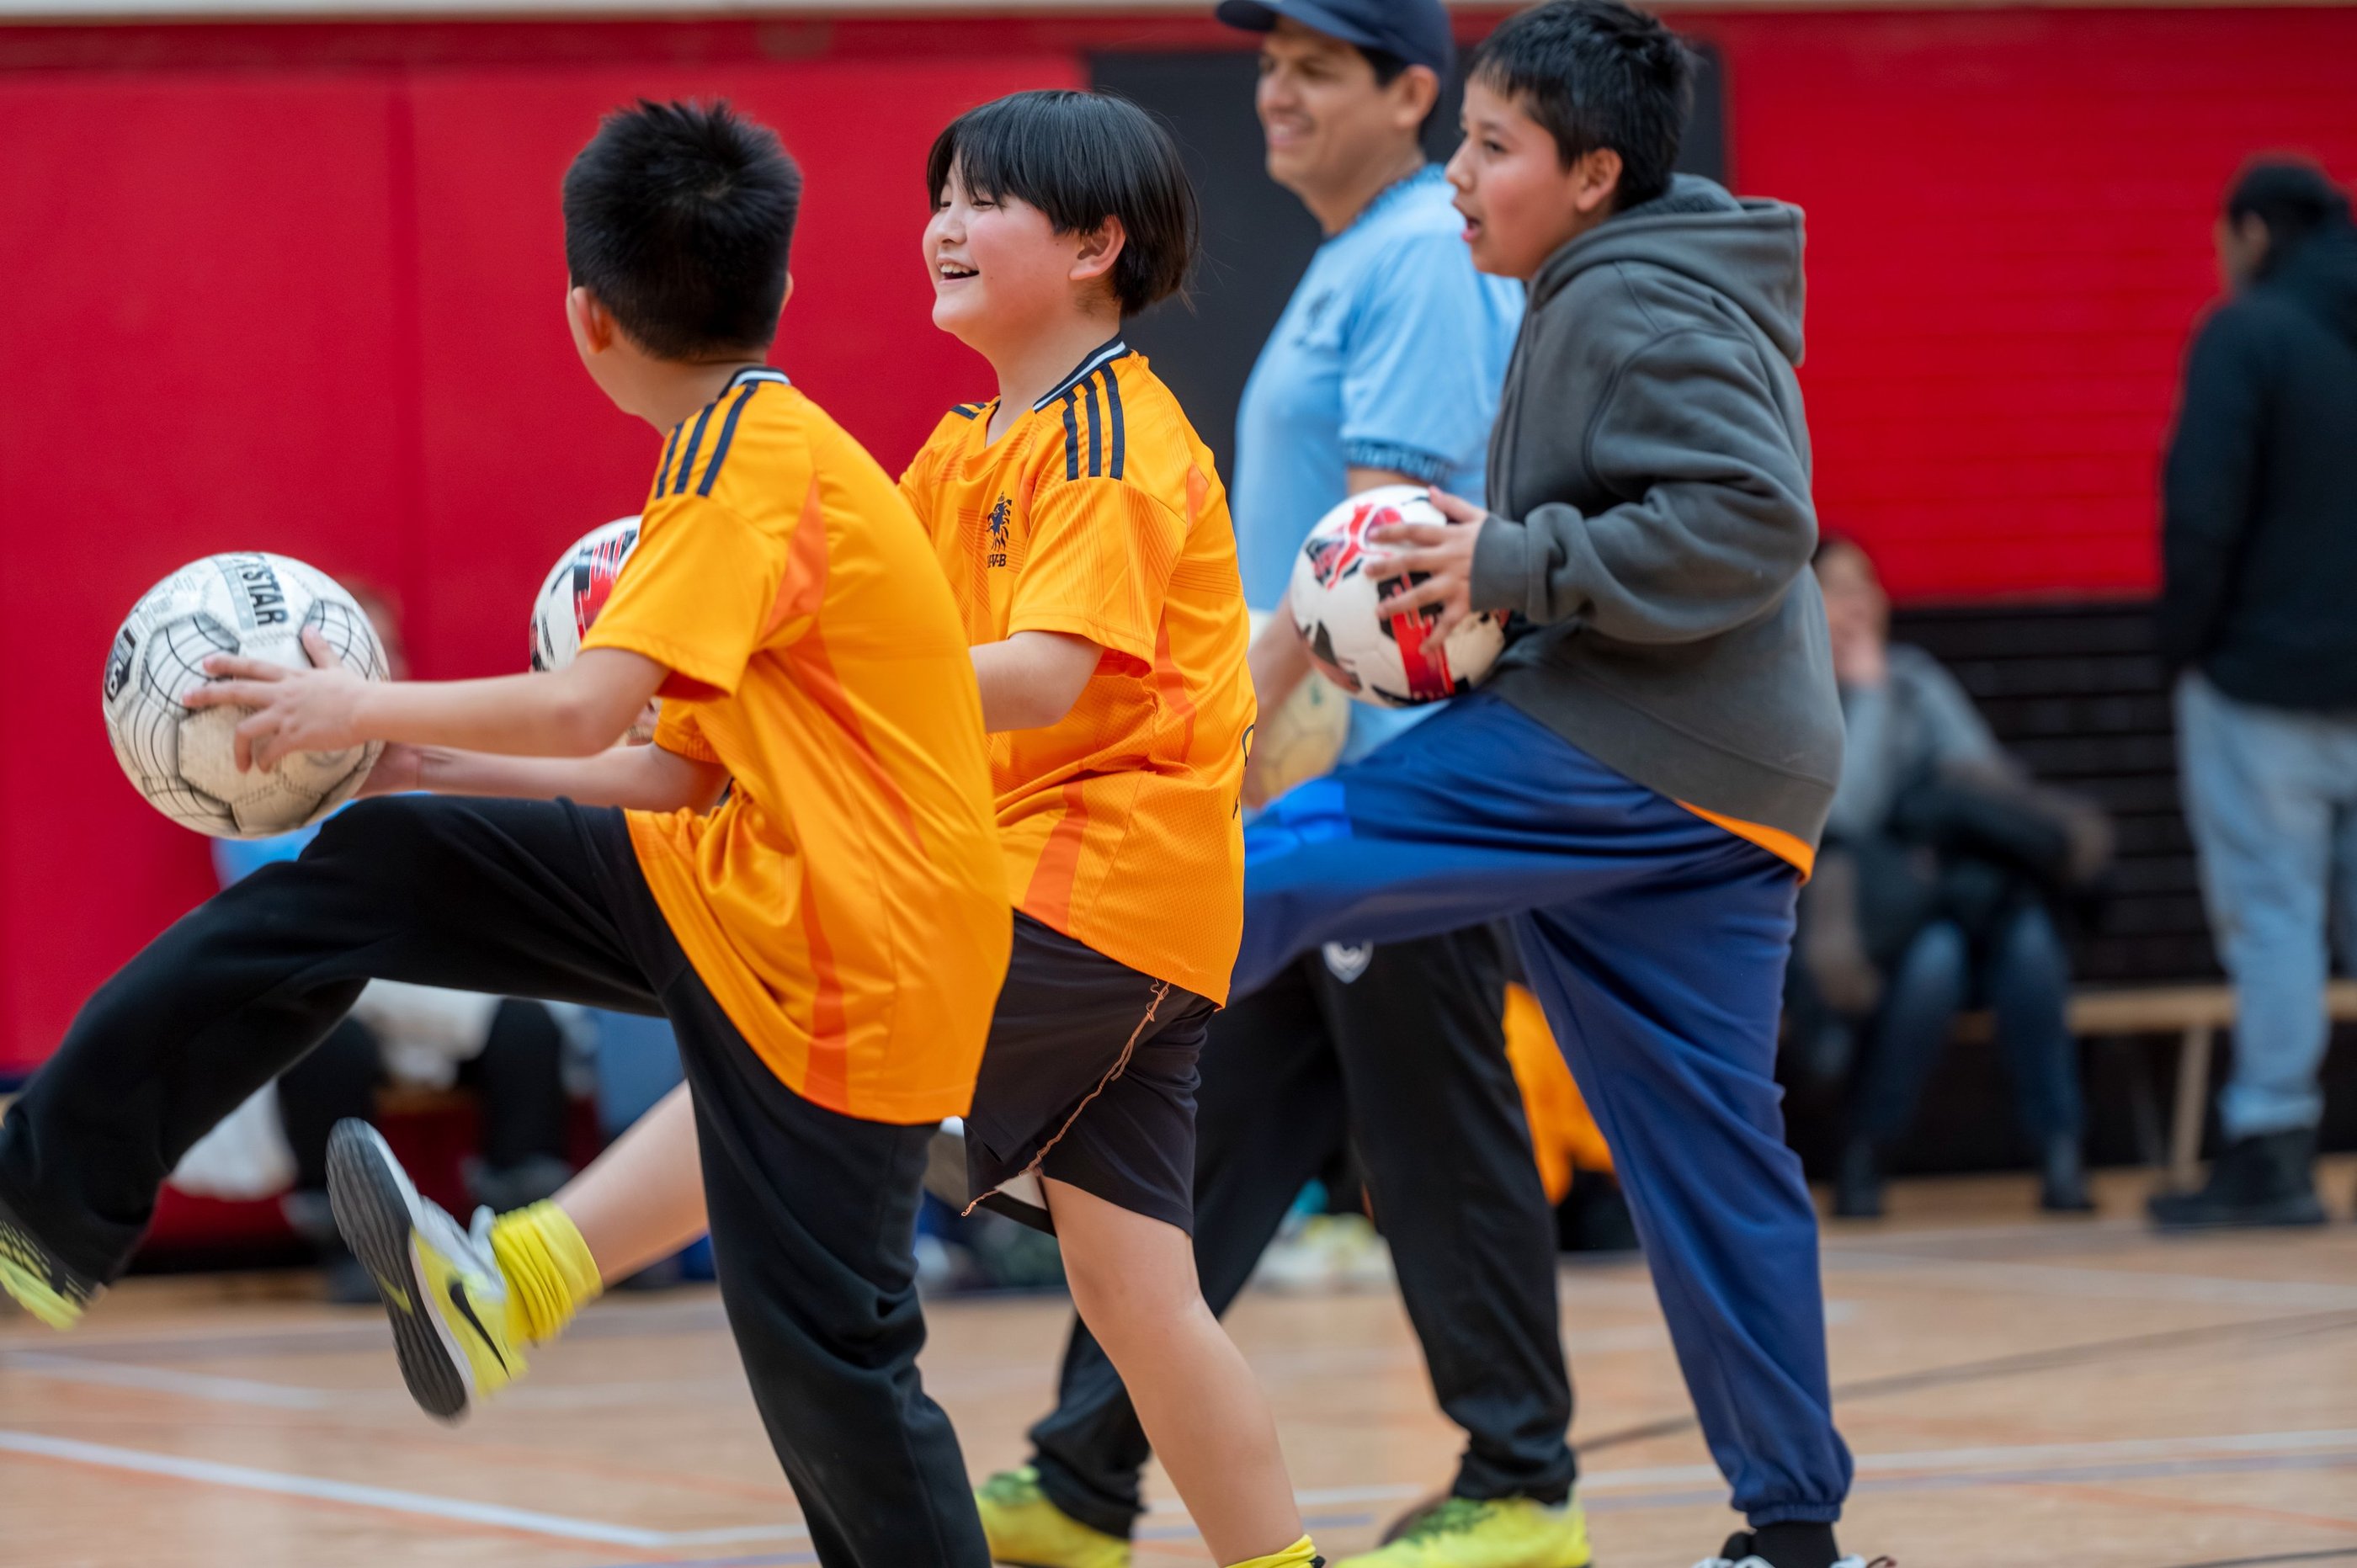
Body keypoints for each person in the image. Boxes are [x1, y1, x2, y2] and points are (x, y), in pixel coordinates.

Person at [0, 99, 1019, 1568]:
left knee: (831, 1370)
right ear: (782, 291)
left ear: (586, 322)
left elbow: (584, 702)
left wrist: (356, 693)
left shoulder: (749, 475)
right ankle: (48, 1193)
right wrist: (422, 757)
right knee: (376, 866)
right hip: (742, 892)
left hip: (854, 967)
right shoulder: (735, 455)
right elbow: (674, 774)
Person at [335, 89, 1329, 1568]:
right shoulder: (952, 453)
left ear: (1096, 243)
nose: (942, 221)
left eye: (986, 197)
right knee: (1143, 1301)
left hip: (1082, 885)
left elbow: (1042, 676)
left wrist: (774, 683)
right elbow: (862, 654)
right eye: (940, 192)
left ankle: (517, 1281)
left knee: (784, 1031)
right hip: (1096, 908)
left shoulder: (1118, 435)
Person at [1241, 3, 1871, 1561]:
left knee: (1290, 851)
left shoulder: (1630, 302)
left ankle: (984, 1027)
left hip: (1636, 751)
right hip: (1730, 787)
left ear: (1592, 172)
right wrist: (1506, 570)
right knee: (1713, 1160)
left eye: (1492, 145)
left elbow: (1754, 517)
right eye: (1462, 137)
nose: (1458, 174)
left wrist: (1516, 559)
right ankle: (1794, 1536)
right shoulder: (1606, 282)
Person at [976, 6, 1585, 1567]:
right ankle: (1079, 1473)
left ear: (1411, 93)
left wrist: (1221, 737)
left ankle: (1521, 1485)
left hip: (1385, 790)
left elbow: (1375, 559)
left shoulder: (1416, 261)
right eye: (1268, 66)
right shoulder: (1362, 255)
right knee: (1224, 1125)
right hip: (1293, 801)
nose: (1278, 91)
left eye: (1318, 68)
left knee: (1436, 1120)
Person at [2152, 158, 2357, 1231]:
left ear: (2249, 231)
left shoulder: (2247, 335)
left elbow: (2202, 512)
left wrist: (2181, 648)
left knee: (2275, 922)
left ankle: (2272, 1151)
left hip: (2260, 686)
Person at [1800, 537, 2099, 1220]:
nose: (1855, 603)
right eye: (1835, 587)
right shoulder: (1796, 692)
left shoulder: (1918, 679)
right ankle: (1866, 1154)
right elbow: (1845, 812)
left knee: (2029, 944)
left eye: (1865, 586)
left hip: (1956, 889)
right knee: (1934, 964)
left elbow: (1986, 783)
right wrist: (1868, 696)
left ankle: (2060, 1150)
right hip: (1869, 912)